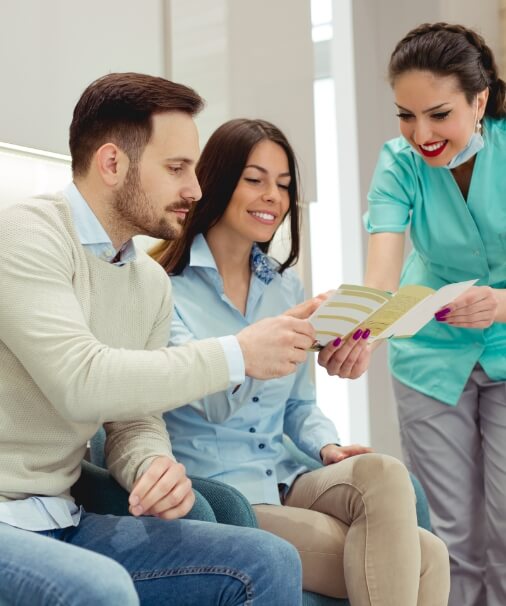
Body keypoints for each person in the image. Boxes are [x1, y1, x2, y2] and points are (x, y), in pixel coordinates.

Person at [0, 73, 312, 606]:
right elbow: (83, 381)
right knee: (100, 589)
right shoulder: (27, 236)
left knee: (267, 559)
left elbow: (134, 418)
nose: (195, 188)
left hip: (63, 517)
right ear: (113, 163)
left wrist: (150, 465)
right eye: (177, 168)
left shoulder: (147, 282)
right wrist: (236, 353)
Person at [152, 118, 450, 605]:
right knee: (427, 559)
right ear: (217, 180)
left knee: (386, 474)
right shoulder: (163, 288)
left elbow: (298, 406)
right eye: (255, 179)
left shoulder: (284, 287)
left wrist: (327, 446)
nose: (273, 195)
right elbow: (211, 405)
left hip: (287, 475)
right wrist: (264, 342)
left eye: (284, 184)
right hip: (223, 494)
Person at [362, 22, 506, 606]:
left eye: (438, 114)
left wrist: (500, 303)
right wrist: (358, 333)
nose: (420, 134)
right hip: (428, 352)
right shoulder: (398, 164)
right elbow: (380, 277)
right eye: (405, 115)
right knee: (451, 537)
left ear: (481, 100)